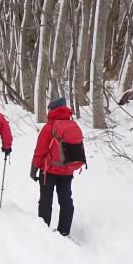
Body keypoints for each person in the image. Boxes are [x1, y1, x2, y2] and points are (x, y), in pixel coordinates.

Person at [31, 97, 81, 236]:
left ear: (52, 110)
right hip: (66, 171)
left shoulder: (49, 127)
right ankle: (64, 232)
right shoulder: (72, 126)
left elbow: (40, 149)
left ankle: (43, 231)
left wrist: (34, 167)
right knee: (66, 200)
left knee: (46, 199)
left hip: (49, 170)